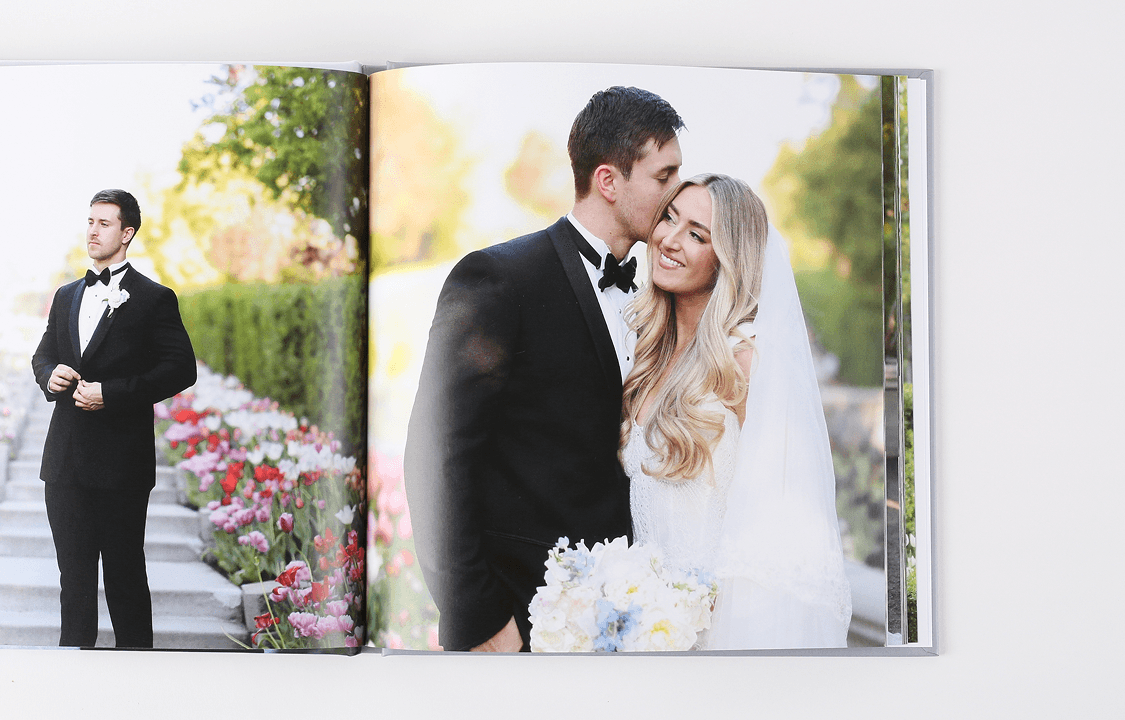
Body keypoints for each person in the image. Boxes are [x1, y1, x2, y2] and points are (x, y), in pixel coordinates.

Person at [404, 87, 685, 652]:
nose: (675, 192)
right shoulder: (498, 279)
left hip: (629, 621)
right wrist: (480, 619)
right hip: (520, 619)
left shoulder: (667, 293)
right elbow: (435, 457)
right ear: (608, 181)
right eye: (663, 176)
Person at [621, 174, 852, 649]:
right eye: (670, 217)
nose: (669, 239)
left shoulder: (743, 361)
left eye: (697, 234)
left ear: (729, 258)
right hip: (648, 637)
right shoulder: (647, 354)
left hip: (722, 634)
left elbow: (786, 528)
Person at [31, 189, 197, 648]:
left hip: (121, 464)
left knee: (124, 579)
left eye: (104, 223)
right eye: (89, 221)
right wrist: (51, 375)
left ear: (127, 234)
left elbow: (181, 368)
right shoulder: (66, 296)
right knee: (74, 583)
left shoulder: (154, 298)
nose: (92, 230)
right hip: (64, 463)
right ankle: (75, 684)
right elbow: (43, 355)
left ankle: (136, 687)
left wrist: (114, 394)